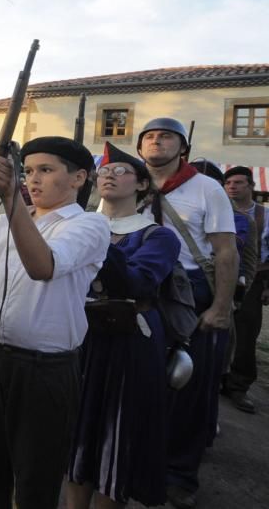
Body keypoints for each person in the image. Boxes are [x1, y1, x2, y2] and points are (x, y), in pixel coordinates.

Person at [0, 136, 110, 509]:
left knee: (36, 477)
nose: (33, 180)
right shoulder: (0, 225)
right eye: (29, 171)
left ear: (78, 178)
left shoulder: (90, 226)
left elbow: (43, 266)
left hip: (45, 369)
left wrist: (10, 200)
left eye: (47, 170)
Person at [66, 142, 181, 509]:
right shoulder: (80, 225)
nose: (109, 176)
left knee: (116, 437)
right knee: (77, 433)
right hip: (80, 337)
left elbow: (137, 283)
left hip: (129, 345)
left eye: (121, 171)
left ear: (143, 186)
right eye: (104, 172)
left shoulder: (157, 236)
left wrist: (97, 236)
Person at [135, 118, 237, 509]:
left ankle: (179, 474)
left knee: (189, 386)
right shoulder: (131, 181)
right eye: (149, 137)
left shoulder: (207, 187)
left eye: (165, 136)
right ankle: (137, 459)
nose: (156, 141)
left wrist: (220, 307)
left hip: (192, 292)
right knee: (141, 380)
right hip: (143, 287)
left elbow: (224, 251)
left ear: (183, 147)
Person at [221, 166, 269, 414]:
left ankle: (238, 386)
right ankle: (217, 377)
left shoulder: (264, 215)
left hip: (254, 278)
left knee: (246, 334)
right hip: (220, 275)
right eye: (228, 182)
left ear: (251, 186)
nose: (232, 187)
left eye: (239, 182)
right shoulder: (219, 211)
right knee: (219, 329)